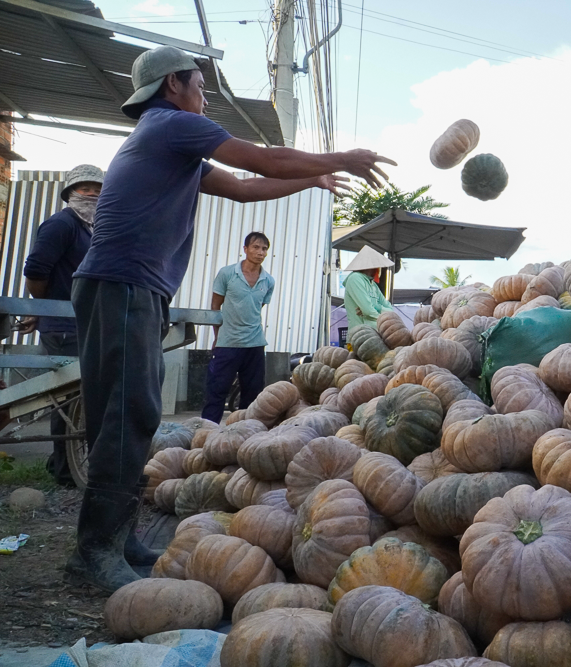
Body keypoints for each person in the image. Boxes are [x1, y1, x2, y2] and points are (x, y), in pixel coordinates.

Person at [67, 45, 394, 592]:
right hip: (121, 284)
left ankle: (115, 539)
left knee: (126, 412)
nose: (204, 95)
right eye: (199, 84)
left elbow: (244, 189)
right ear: (174, 84)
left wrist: (311, 181)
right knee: (128, 412)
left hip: (126, 286)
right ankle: (93, 553)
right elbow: (260, 160)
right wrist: (337, 159)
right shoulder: (170, 125)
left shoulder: (169, 143)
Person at [19, 164, 104, 486]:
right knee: (69, 399)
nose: (92, 194)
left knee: (80, 398)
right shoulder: (62, 223)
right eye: (85, 189)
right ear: (70, 193)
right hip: (63, 325)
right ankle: (67, 471)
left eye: (98, 189)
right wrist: (43, 309)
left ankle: (60, 463)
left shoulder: (93, 228)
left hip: (85, 323)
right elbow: (37, 270)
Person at [200, 231, 275, 423]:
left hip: (255, 344)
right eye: (256, 247)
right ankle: (206, 434)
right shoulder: (227, 274)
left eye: (264, 248)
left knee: (252, 396)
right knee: (216, 391)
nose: (260, 252)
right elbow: (216, 306)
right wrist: (218, 335)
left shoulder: (268, 281)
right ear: (245, 249)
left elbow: (256, 309)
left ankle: (243, 435)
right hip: (228, 343)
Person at [343, 245, 395, 328]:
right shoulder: (355, 279)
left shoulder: (373, 284)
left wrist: (375, 306)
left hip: (375, 334)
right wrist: (385, 319)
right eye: (377, 265)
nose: (379, 268)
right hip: (359, 337)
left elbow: (391, 310)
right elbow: (368, 311)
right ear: (370, 266)